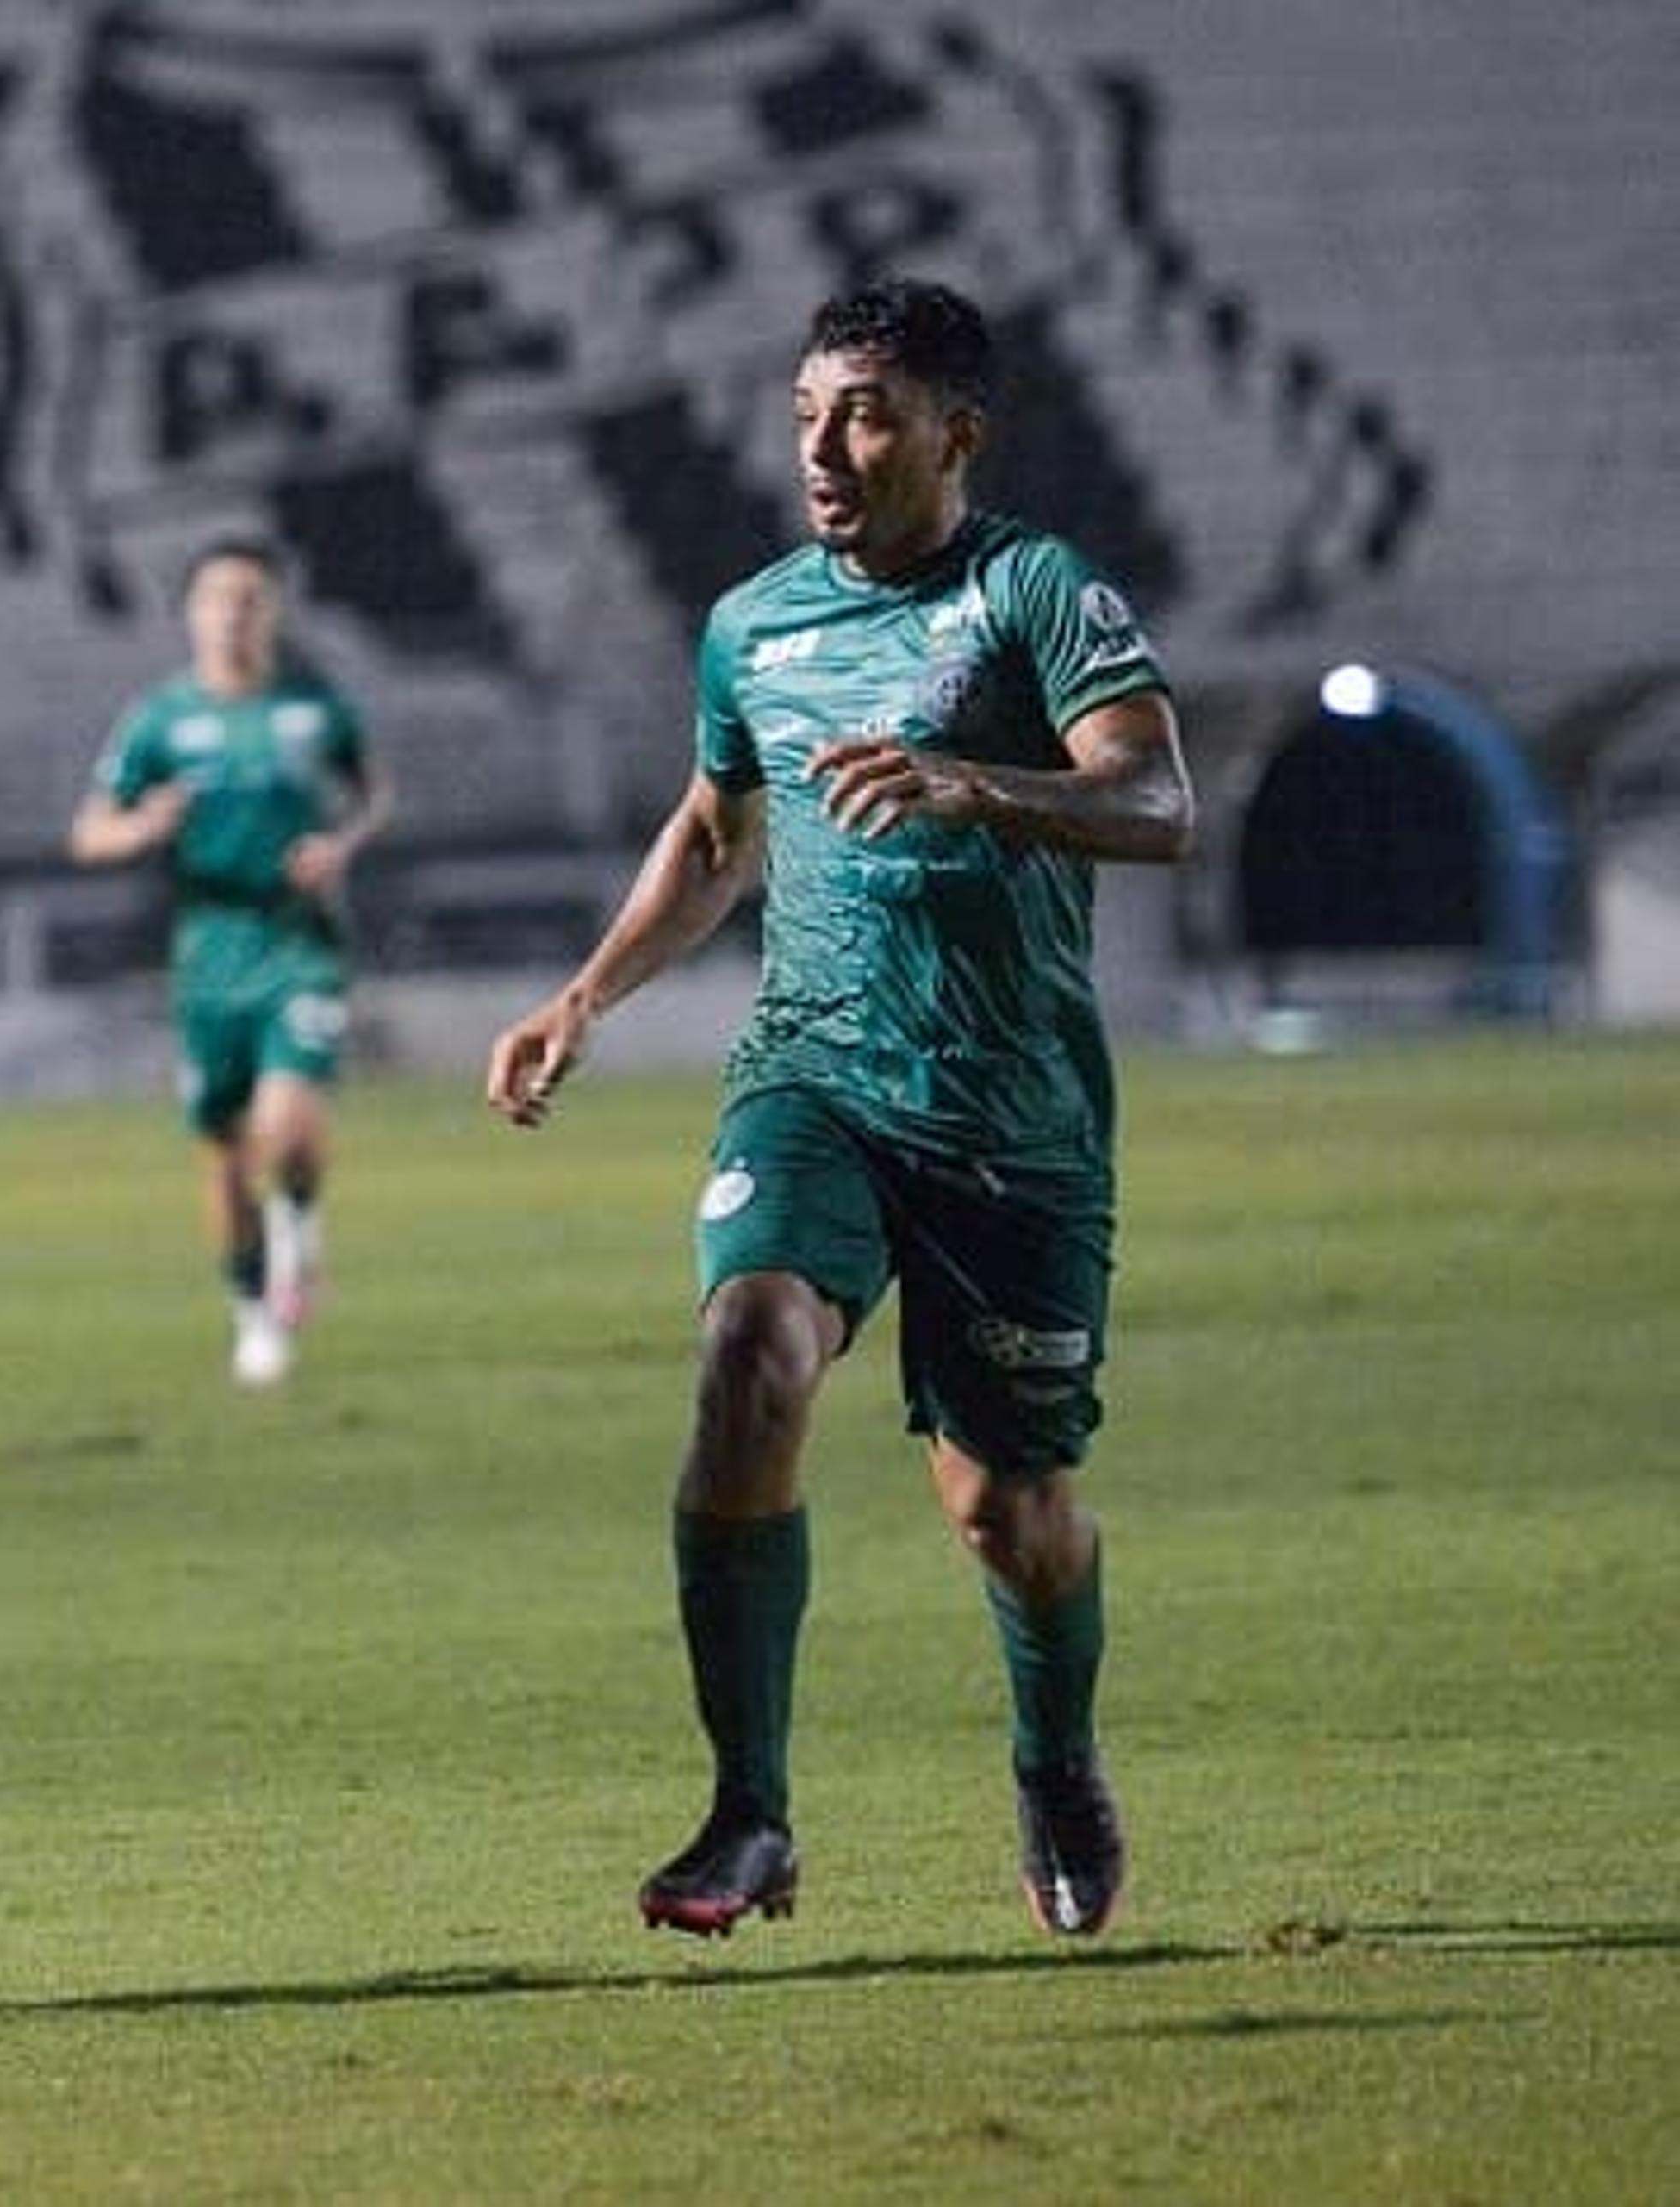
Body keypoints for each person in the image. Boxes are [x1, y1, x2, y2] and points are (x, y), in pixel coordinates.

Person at [484, 278, 1193, 1941]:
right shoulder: (753, 623)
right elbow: (721, 831)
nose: (825, 446)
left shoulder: (1034, 594)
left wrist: (974, 782)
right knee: (749, 1351)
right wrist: (584, 995)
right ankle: (751, 1815)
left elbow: (1157, 796)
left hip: (1010, 1115)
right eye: (807, 413)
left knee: (1005, 1512)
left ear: (957, 432)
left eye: (865, 414)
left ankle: (1057, 1755)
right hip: (814, 1074)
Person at [68, 536, 388, 1387]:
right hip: (207, 953)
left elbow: (373, 793)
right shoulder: (160, 720)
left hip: (300, 943)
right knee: (227, 1157)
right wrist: (146, 826)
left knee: (286, 1125)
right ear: (191, 613)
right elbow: (90, 831)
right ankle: (253, 1311)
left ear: (275, 610)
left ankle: (302, 1223)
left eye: (251, 596)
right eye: (218, 597)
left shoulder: (315, 708)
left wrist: (341, 844)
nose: (234, 612)